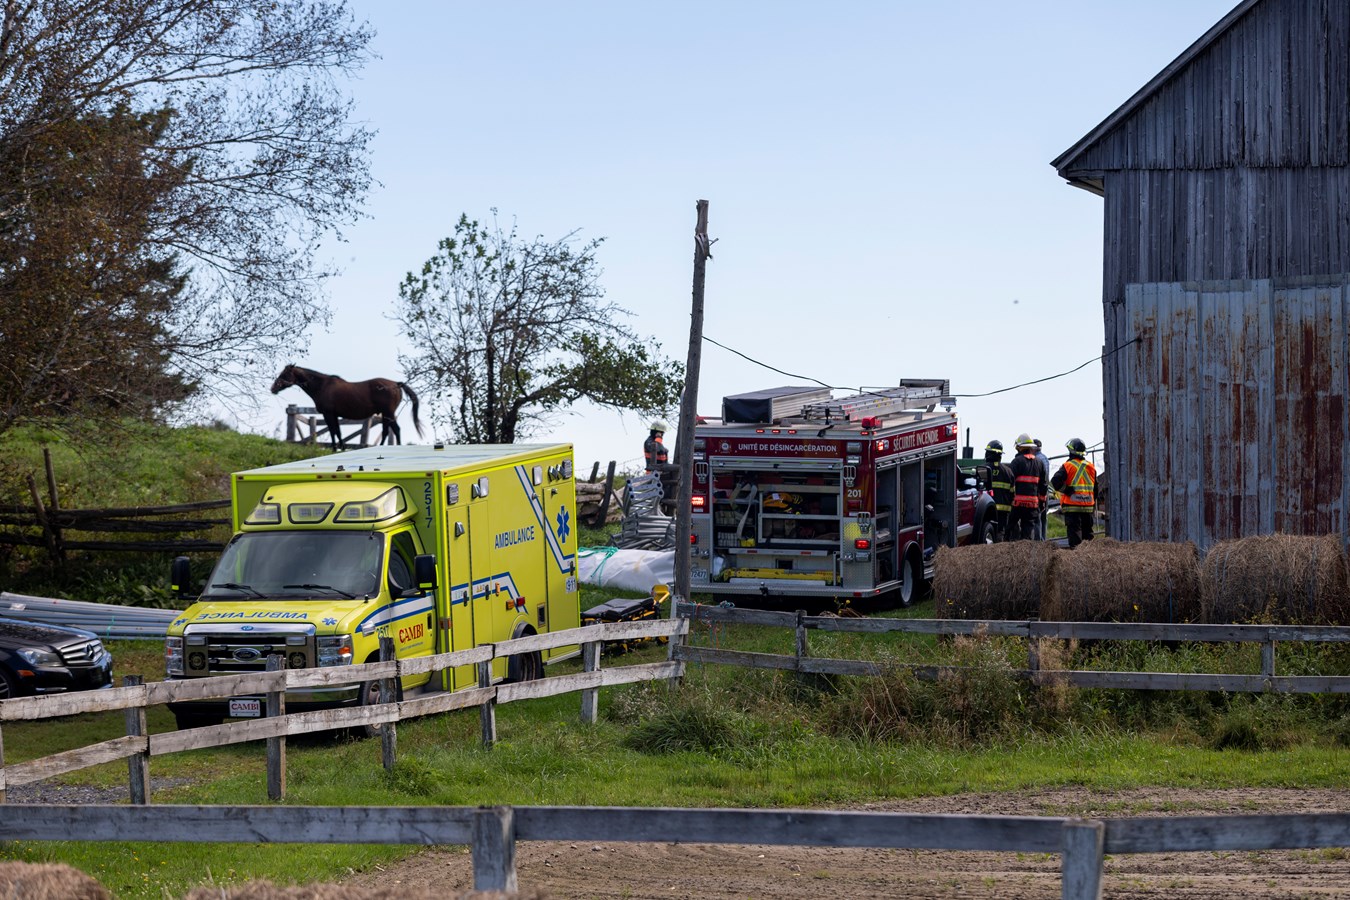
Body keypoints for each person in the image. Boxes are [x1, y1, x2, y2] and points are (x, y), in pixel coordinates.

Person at [1051, 438, 1098, 548]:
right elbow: (1095, 488)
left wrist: (1066, 490)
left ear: (1071, 451)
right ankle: (1090, 557)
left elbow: (1055, 481)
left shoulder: (1068, 466)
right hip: (1087, 507)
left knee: (1075, 537)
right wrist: (1092, 502)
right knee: (1088, 537)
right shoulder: (1091, 467)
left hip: (1072, 507)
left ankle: (1076, 557)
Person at [1008, 434, 1047, 541]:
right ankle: (1025, 550)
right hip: (1032, 505)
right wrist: (1042, 502)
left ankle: (1011, 548)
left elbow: (1010, 483)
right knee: (1028, 533)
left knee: (1010, 528)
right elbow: (1043, 485)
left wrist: (1009, 499)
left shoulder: (1016, 462)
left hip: (1017, 504)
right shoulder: (1039, 463)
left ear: (1020, 447)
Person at [983, 439, 1015, 542]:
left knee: (987, 533)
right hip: (1004, 511)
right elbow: (1012, 493)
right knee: (1001, 532)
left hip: (988, 509)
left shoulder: (984, 469)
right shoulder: (1008, 471)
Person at [1032, 438, 1050, 540]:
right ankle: (1043, 540)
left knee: (1037, 518)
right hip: (1045, 491)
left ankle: (1039, 541)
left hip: (1038, 492)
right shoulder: (1045, 458)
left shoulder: (1036, 460)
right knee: (1043, 518)